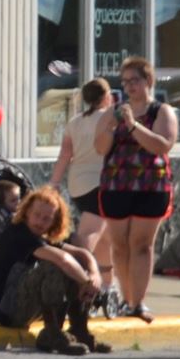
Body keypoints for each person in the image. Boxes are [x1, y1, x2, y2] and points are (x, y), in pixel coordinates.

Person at [92, 55, 176, 323]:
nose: (129, 87)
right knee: (119, 245)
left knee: (141, 245)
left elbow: (162, 145)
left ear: (148, 81)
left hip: (151, 185)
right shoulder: (113, 112)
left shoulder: (161, 111)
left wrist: (133, 125)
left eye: (135, 81)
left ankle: (137, 302)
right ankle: (127, 299)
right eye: (125, 82)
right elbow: (100, 148)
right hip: (117, 184)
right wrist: (111, 127)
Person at [0, 187, 112, 355]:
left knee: (76, 264)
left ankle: (79, 330)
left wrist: (94, 274)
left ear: (54, 221)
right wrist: (86, 282)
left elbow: (81, 253)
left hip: (29, 305)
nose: (40, 222)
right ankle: (51, 334)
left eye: (47, 219)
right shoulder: (19, 233)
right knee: (55, 265)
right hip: (10, 310)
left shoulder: (42, 236)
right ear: (26, 212)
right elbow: (62, 259)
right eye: (36, 215)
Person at [48, 78, 114, 271]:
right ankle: (74, 274)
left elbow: (65, 156)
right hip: (101, 184)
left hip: (77, 185)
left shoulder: (74, 123)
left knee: (105, 236)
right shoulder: (110, 120)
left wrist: (54, 183)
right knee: (90, 234)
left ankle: (107, 285)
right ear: (106, 97)